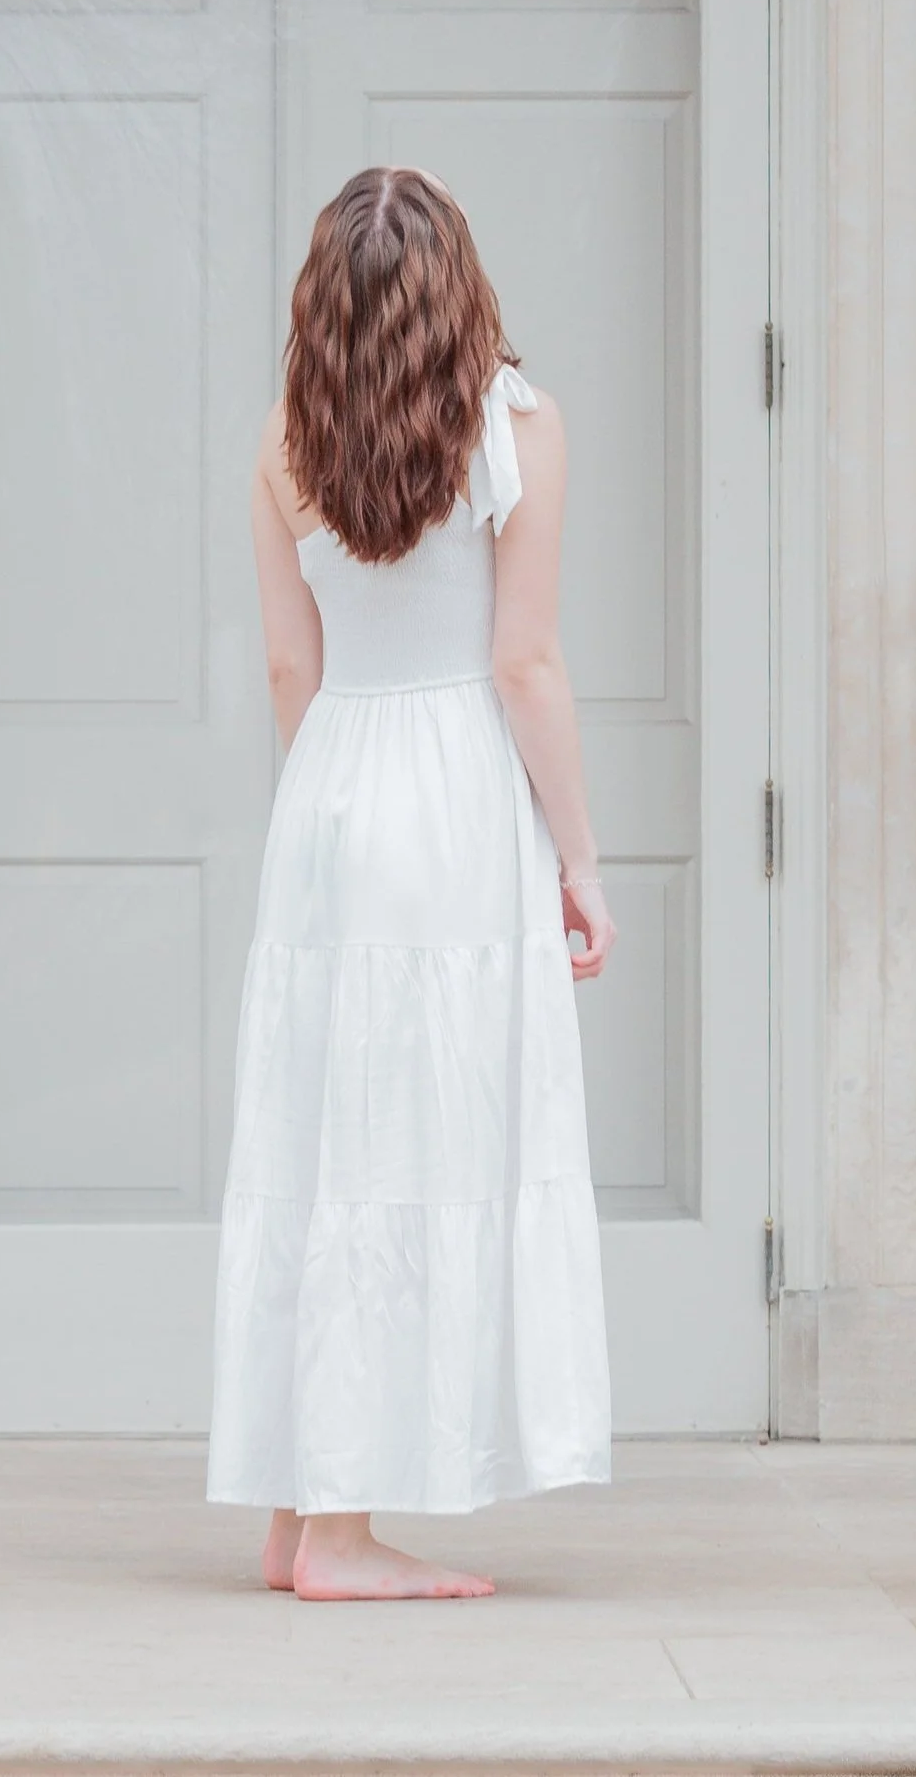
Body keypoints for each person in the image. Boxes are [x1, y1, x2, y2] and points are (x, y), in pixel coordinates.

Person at [206, 165, 615, 1602]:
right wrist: (577, 858)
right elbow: (525, 663)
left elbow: (285, 665)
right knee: (416, 1145)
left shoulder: (282, 439)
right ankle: (342, 1535)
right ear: (459, 287)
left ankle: (294, 1499)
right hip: (451, 796)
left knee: (322, 1141)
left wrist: (329, 797)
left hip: (330, 790)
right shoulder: (521, 426)